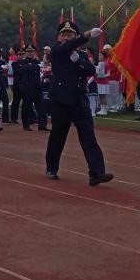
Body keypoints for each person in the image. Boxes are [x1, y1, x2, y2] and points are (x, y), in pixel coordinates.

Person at [44, 20, 112, 186]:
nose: (67, 37)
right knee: (58, 136)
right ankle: (52, 167)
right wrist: (87, 35)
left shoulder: (80, 55)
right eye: (64, 35)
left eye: (70, 35)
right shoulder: (57, 50)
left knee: (89, 137)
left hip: (80, 101)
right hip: (62, 100)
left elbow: (91, 70)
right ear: (59, 37)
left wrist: (78, 61)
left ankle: (96, 173)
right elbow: (67, 48)